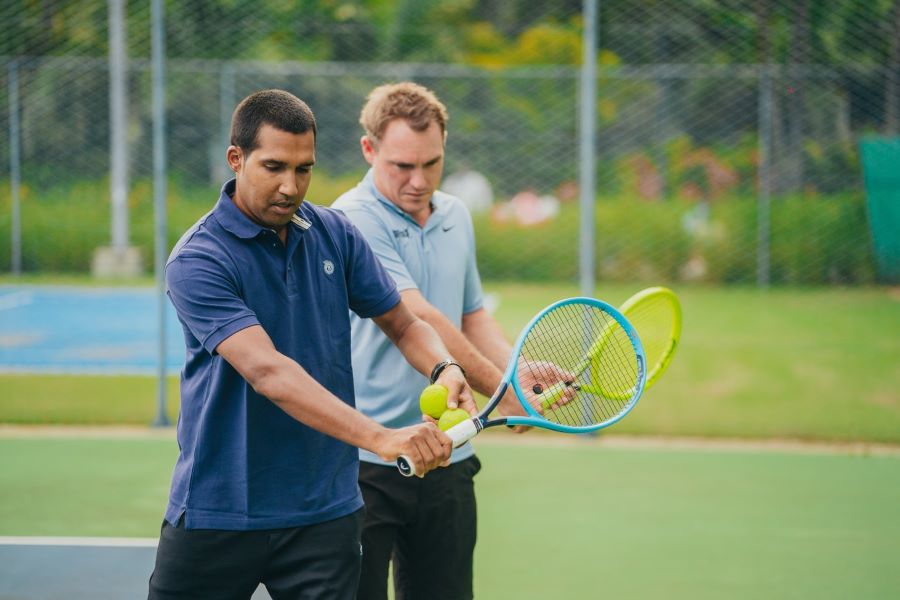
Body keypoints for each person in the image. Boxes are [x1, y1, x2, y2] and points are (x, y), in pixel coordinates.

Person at [148, 88, 477, 600]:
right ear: (236, 159)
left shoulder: (335, 234)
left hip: (324, 515)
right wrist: (382, 438)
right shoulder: (198, 259)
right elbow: (269, 373)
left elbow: (404, 323)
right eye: (274, 166)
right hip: (219, 510)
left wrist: (444, 368)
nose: (290, 186)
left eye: (304, 169)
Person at [333, 82, 570, 600]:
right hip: (367, 463)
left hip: (450, 456)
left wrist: (517, 374)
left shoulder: (456, 216)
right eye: (401, 166)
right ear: (369, 150)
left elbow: (472, 317)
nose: (419, 181)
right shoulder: (351, 219)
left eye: (432, 163)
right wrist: (506, 394)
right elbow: (418, 315)